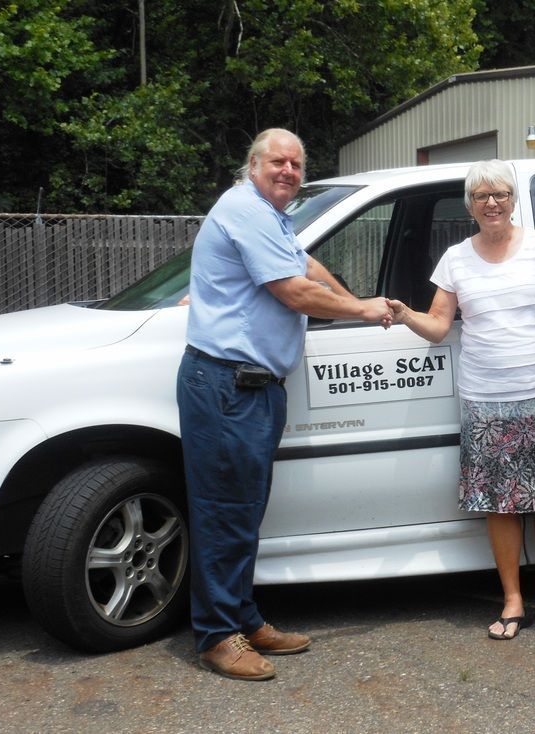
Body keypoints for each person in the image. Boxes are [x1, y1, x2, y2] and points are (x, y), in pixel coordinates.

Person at [178, 128, 394, 680]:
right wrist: (366, 311)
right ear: (252, 165)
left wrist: (349, 298)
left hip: (251, 388)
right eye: (278, 161)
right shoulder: (245, 210)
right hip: (229, 386)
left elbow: (309, 268)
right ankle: (216, 635)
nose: (289, 171)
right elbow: (293, 291)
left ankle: (243, 619)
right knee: (224, 512)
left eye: (297, 163)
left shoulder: (271, 218)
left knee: (243, 512)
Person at [388, 160, 535, 639]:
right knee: (501, 504)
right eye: (480, 196)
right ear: (469, 205)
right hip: (485, 400)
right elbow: (437, 326)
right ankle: (513, 598)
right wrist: (405, 313)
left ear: (513, 199)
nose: (491, 203)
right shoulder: (454, 258)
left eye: (500, 194)